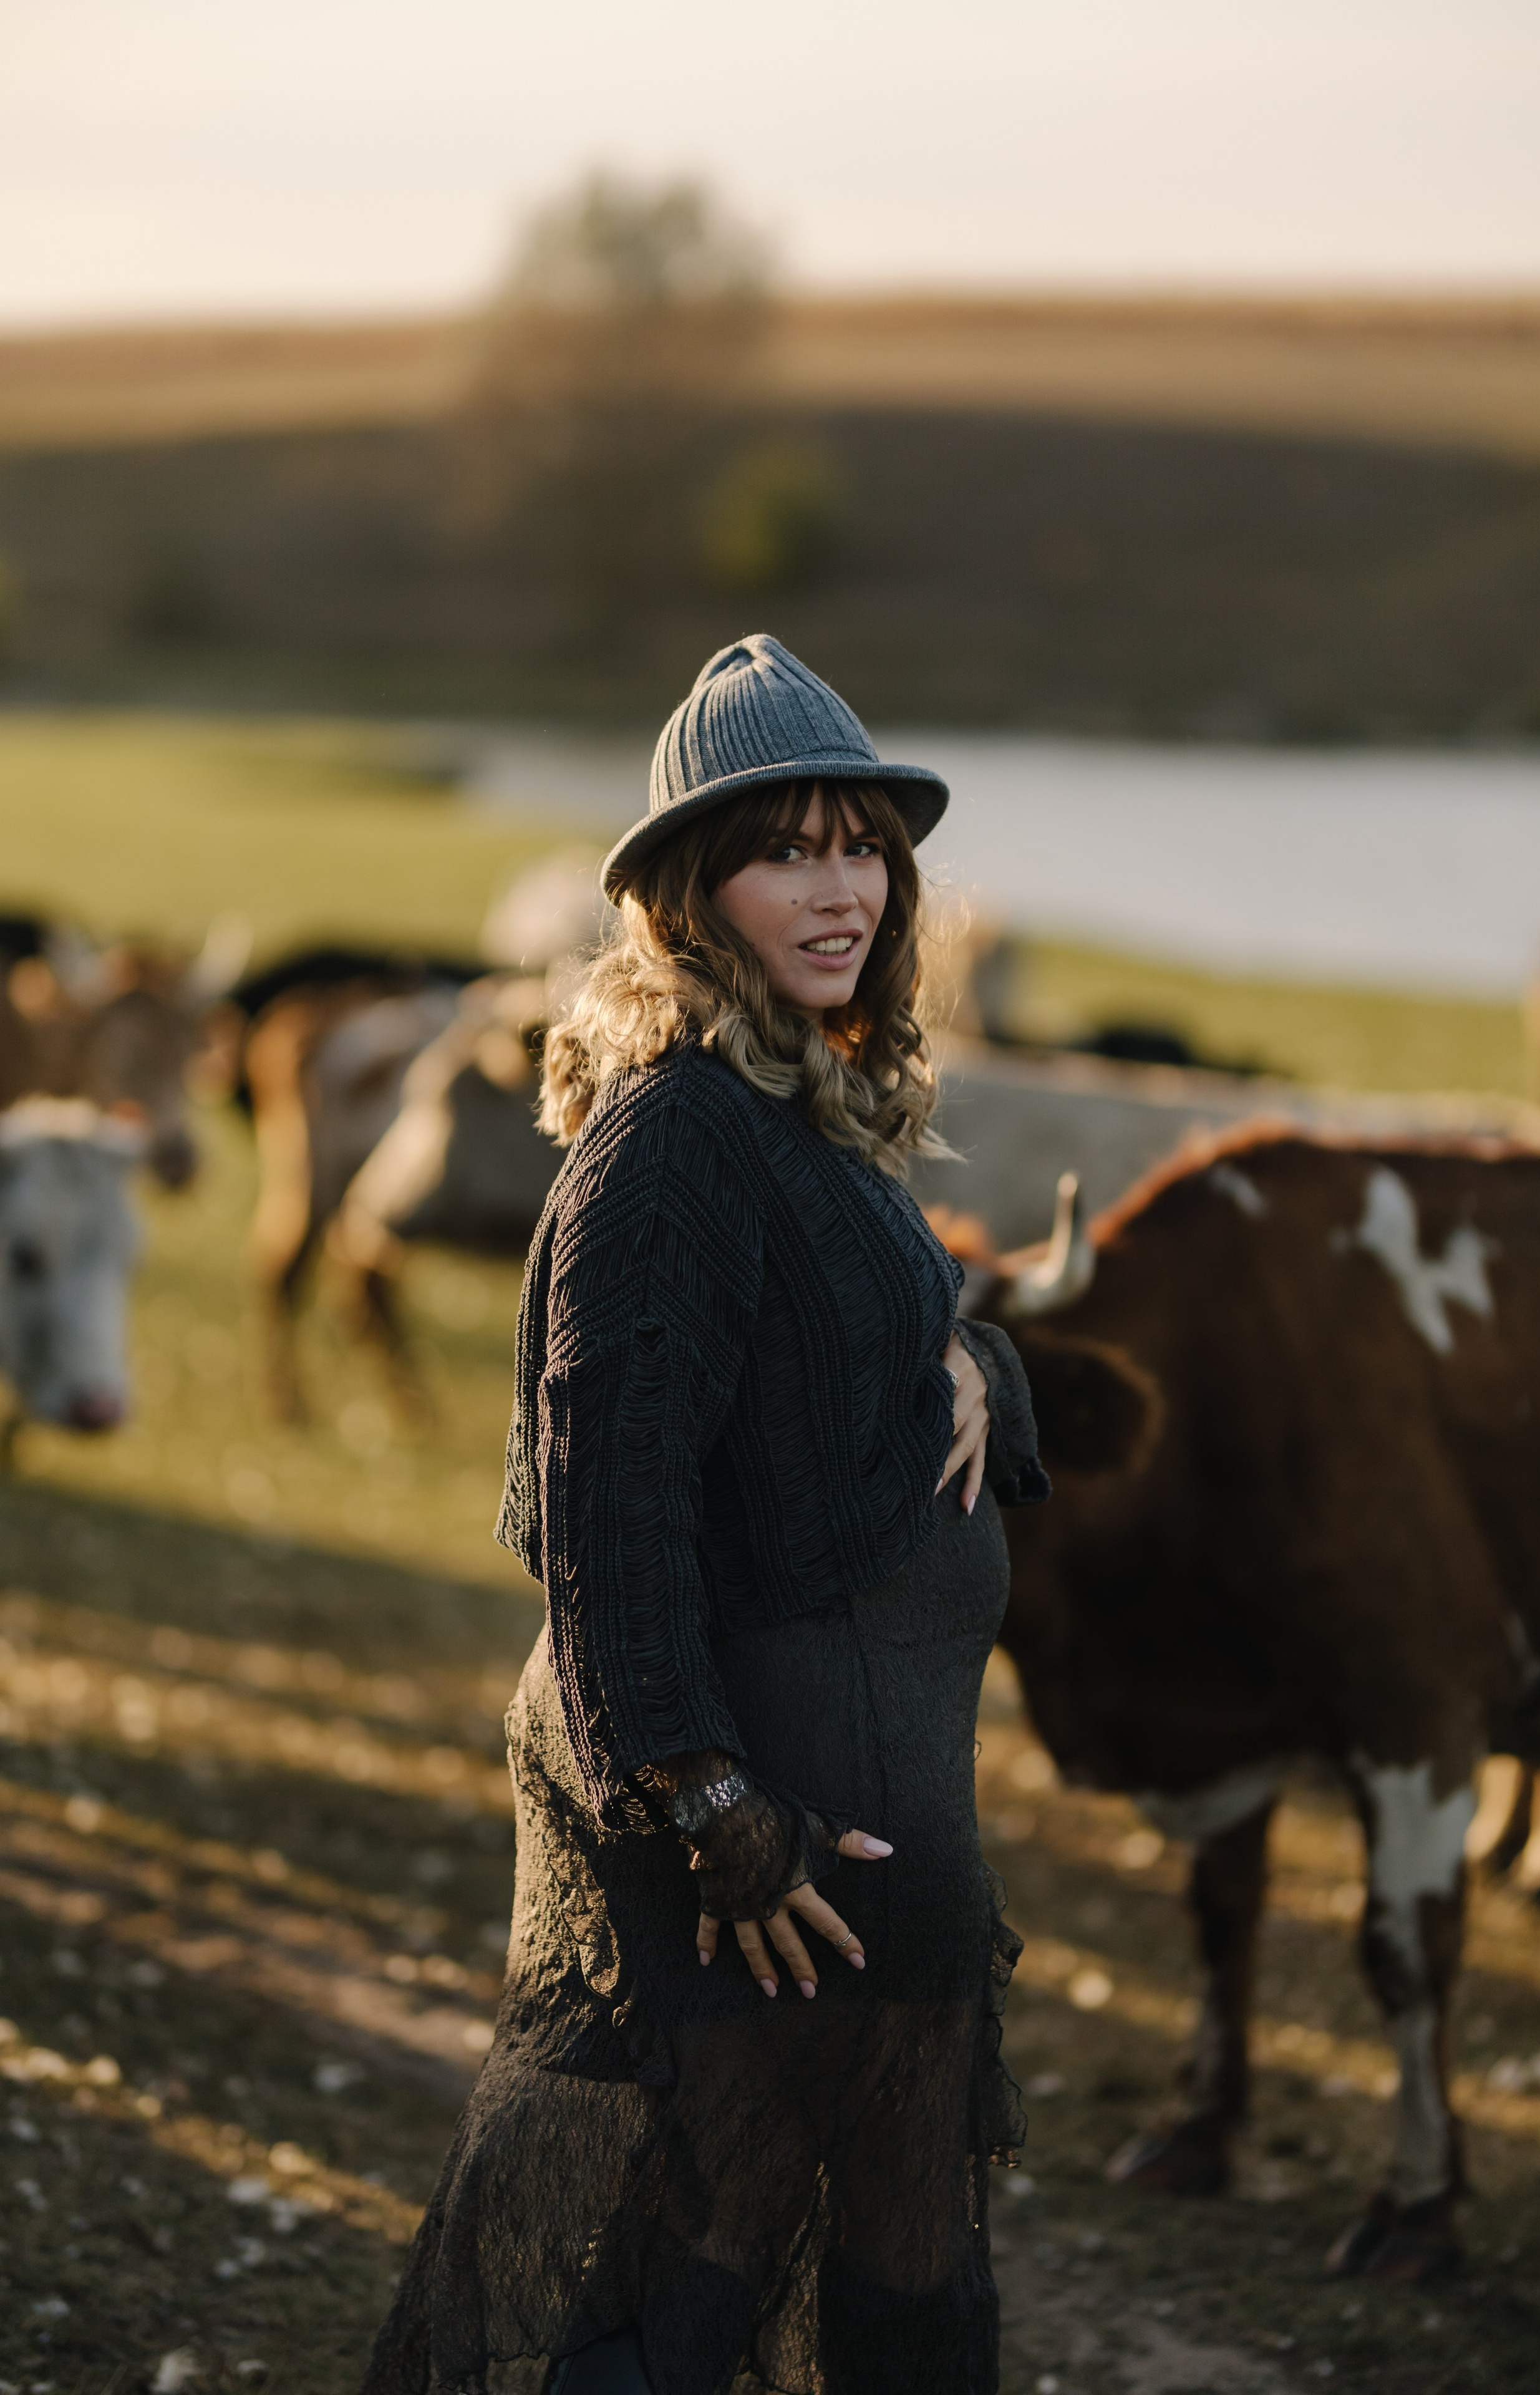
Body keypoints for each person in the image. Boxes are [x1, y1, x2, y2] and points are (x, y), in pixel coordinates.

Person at [362, 634, 1049, 2395]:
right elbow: (613, 1509)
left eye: (863, 847)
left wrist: (973, 1368)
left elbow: (826, 1371)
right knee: (688, 2277)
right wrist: (716, 1805)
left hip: (889, 1858)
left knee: (895, 2271)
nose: (840, 890)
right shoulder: (672, 1140)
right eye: (786, 849)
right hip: (775, 1865)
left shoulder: (804, 1100)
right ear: (686, 892)